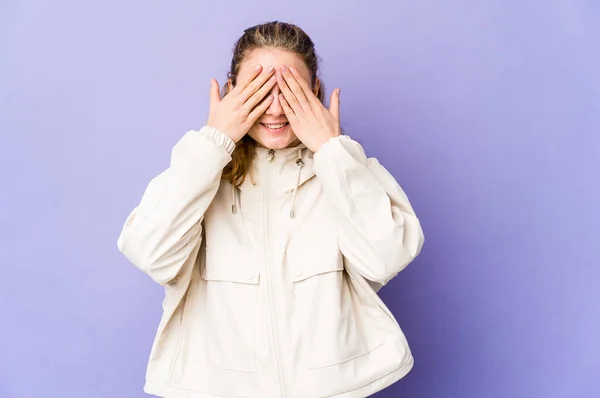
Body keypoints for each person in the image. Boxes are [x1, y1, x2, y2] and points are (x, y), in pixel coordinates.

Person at [117, 21, 425, 398]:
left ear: (314, 91)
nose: (276, 108)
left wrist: (332, 151)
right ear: (231, 91)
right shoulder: (197, 174)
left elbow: (386, 258)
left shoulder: (346, 168)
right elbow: (151, 254)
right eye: (259, 90)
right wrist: (213, 142)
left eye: (290, 91)